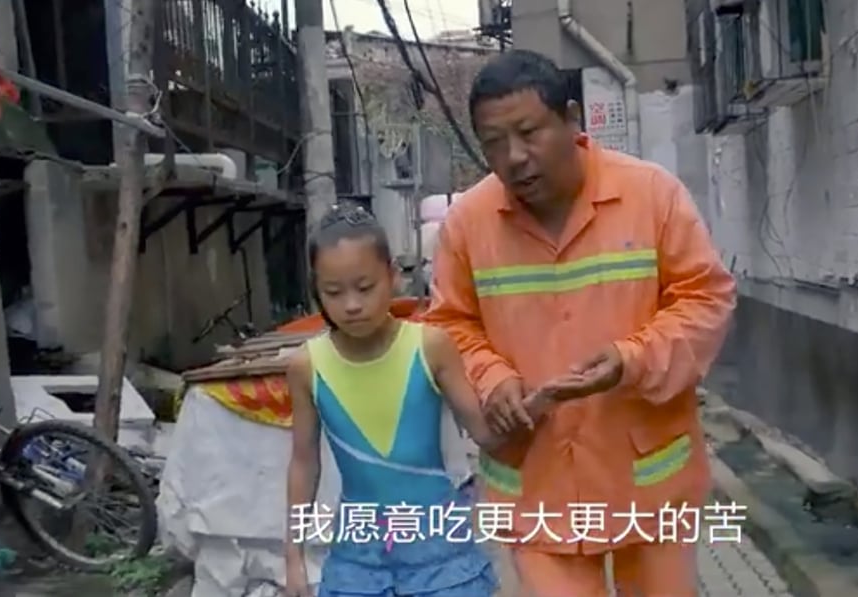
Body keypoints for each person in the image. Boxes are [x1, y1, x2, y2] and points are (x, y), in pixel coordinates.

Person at [423, 49, 737, 597]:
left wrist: (630, 358)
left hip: (648, 481)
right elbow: (449, 325)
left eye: (528, 132)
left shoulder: (651, 195)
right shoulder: (469, 223)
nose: (515, 157)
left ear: (572, 119)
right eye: (494, 143)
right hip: (537, 481)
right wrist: (493, 378)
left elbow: (705, 300)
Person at [283, 204, 566, 597]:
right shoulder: (307, 366)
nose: (351, 304)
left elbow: (484, 434)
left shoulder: (429, 346)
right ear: (317, 291)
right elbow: (303, 463)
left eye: (365, 288)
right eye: (333, 292)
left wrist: (531, 407)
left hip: (439, 550)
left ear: (393, 278)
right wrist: (293, 557)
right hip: (359, 557)